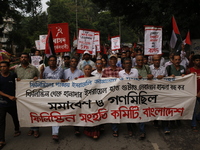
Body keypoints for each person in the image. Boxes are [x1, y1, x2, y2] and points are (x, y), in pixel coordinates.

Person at [15, 53, 40, 138]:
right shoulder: (16, 69)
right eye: (22, 57)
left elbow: (40, 78)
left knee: (34, 110)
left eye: (25, 57)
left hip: (32, 94)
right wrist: (16, 80)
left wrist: (37, 78)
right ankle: (31, 127)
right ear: (20, 58)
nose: (23, 59)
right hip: (21, 95)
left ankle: (36, 129)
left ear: (28, 59)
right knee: (26, 111)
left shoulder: (33, 68)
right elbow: (12, 78)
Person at [40, 55, 64, 141]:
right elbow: (41, 81)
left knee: (56, 110)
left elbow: (64, 81)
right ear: (48, 61)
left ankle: (55, 132)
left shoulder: (61, 70)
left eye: (54, 60)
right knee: (51, 111)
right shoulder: (45, 69)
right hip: (48, 94)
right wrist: (41, 72)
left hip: (59, 93)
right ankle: (54, 131)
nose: (52, 62)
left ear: (56, 61)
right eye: (50, 60)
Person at [0, 61, 20, 148]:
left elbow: (18, 85)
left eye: (4, 66)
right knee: (1, 122)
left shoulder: (13, 75)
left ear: (8, 67)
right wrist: (8, 96)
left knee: (15, 117)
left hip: (13, 102)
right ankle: (2, 140)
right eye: (1, 66)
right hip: (2, 103)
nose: (2, 68)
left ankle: (17, 129)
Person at [102, 54, 122, 137]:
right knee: (110, 110)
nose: (113, 61)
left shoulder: (120, 70)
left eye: (114, 59)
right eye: (111, 59)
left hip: (118, 94)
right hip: (109, 94)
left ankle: (115, 127)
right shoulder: (106, 71)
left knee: (116, 110)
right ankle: (113, 128)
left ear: (117, 61)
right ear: (109, 61)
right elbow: (103, 83)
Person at [63, 57, 84, 135]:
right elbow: (61, 82)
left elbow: (83, 82)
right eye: (72, 61)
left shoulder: (81, 72)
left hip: (77, 94)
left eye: (75, 61)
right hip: (67, 94)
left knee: (76, 110)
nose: (73, 62)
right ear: (70, 62)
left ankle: (76, 128)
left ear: (77, 62)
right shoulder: (65, 72)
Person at [118, 57, 138, 137]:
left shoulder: (136, 71)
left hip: (134, 94)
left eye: (129, 63)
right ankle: (129, 128)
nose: (128, 65)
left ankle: (134, 123)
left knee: (134, 109)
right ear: (123, 64)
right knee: (127, 111)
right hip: (125, 95)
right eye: (126, 63)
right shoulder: (120, 73)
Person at [135, 55, 153, 139]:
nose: (140, 62)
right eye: (138, 60)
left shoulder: (147, 67)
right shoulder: (133, 69)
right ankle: (141, 130)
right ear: (136, 61)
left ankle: (142, 127)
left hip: (146, 92)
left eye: (141, 60)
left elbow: (151, 76)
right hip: (136, 93)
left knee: (143, 109)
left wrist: (150, 76)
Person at [149, 55, 169, 134]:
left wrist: (163, 76)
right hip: (152, 92)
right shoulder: (149, 68)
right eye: (155, 60)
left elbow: (168, 80)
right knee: (154, 108)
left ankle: (165, 126)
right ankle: (156, 121)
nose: (157, 61)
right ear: (152, 61)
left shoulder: (164, 69)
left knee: (164, 108)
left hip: (162, 92)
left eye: (158, 60)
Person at [166, 54, 186, 128]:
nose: (177, 61)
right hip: (171, 90)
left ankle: (178, 119)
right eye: (176, 59)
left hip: (180, 90)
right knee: (171, 105)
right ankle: (171, 121)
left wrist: (184, 76)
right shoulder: (169, 68)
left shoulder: (182, 67)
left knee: (179, 105)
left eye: (179, 59)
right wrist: (169, 77)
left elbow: (186, 78)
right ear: (172, 60)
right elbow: (164, 78)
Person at [189, 54, 200, 131]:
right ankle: (193, 124)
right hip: (192, 93)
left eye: (199, 60)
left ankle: (197, 117)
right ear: (193, 61)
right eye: (196, 60)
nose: (198, 62)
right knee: (193, 108)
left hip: (199, 92)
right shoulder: (189, 70)